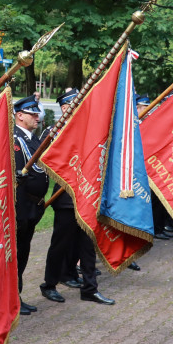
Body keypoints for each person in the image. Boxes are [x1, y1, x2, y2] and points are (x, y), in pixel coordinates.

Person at [39, 88, 115, 306]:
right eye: (76, 104)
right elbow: (44, 159)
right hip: (65, 197)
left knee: (88, 243)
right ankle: (49, 284)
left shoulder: (88, 130)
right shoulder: (53, 131)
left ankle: (90, 288)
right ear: (65, 108)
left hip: (87, 196)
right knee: (60, 243)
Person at [12, 94, 48, 315]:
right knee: (15, 255)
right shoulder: (14, 139)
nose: (37, 116)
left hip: (33, 207)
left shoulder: (33, 139)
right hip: (20, 207)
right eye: (32, 113)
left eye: (37, 113)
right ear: (20, 115)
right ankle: (10, 300)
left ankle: (16, 296)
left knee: (23, 254)